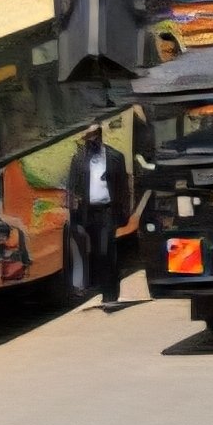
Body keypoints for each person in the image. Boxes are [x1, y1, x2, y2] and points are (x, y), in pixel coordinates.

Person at [66, 124, 131, 306]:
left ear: (99, 136)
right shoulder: (78, 160)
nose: (90, 141)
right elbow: (73, 187)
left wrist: (123, 214)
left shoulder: (115, 157)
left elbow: (123, 189)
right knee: (93, 252)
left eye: (93, 137)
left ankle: (110, 294)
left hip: (107, 211)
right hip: (87, 212)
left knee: (105, 251)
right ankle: (97, 287)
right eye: (87, 138)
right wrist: (74, 210)